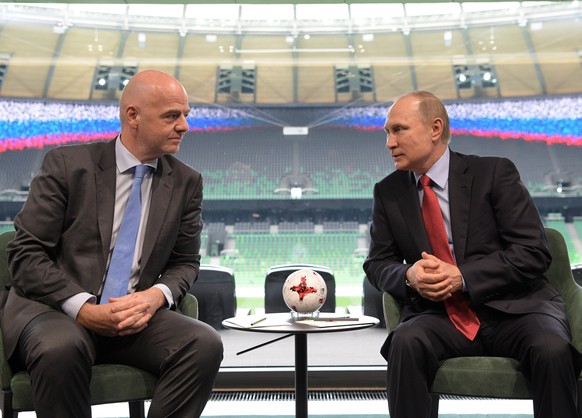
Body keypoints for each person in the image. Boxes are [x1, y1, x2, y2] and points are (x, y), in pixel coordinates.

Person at [0, 70, 223, 418]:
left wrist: (154, 297)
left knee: (203, 343)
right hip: (58, 311)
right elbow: (25, 254)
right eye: (171, 116)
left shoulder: (186, 182)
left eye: (185, 115)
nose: (184, 126)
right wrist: (85, 308)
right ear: (132, 115)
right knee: (61, 347)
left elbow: (185, 263)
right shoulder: (67, 165)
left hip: (135, 316)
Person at [363, 90, 582, 418]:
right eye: (387, 133)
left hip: (517, 311)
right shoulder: (388, 192)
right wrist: (408, 275)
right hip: (441, 316)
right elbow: (378, 263)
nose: (389, 142)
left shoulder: (494, 174)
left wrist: (463, 277)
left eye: (398, 130)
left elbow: (533, 252)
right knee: (405, 342)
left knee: (551, 349)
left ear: (435, 128)